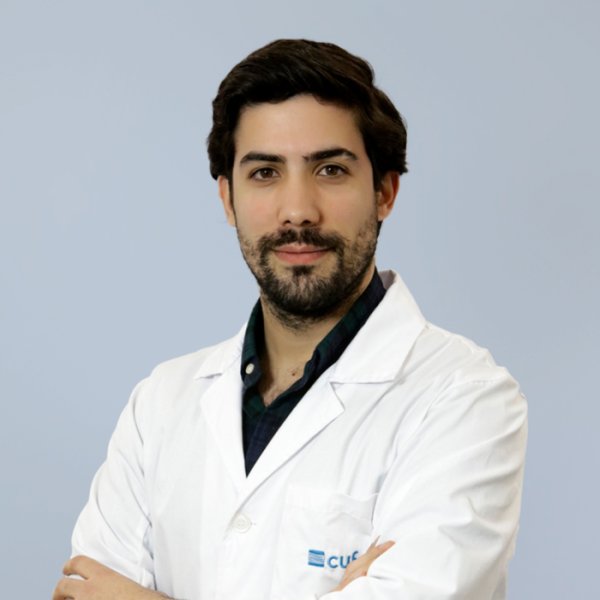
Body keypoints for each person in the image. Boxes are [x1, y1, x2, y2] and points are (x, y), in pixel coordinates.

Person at [53, 39, 527, 600]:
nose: (297, 210)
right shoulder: (160, 405)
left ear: (384, 192)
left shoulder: (464, 399)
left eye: (330, 169)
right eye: (265, 172)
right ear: (227, 199)